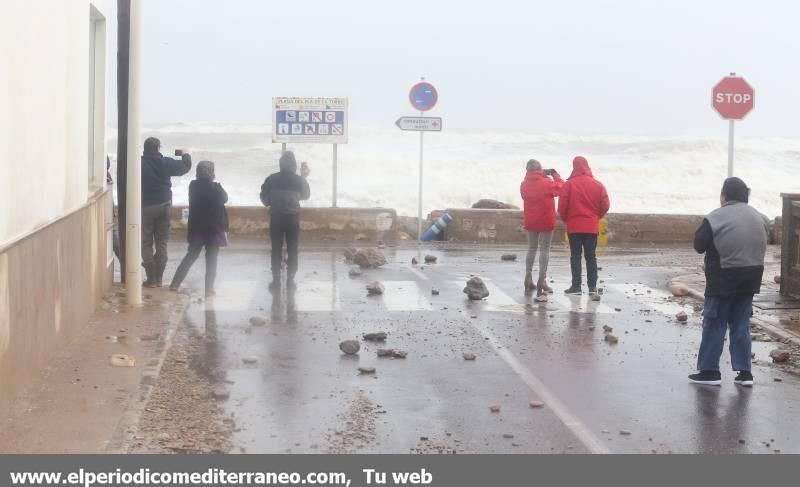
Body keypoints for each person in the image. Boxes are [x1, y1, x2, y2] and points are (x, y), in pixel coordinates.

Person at [689, 177, 770, 387]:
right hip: (751, 277)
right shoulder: (760, 217)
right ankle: (745, 374)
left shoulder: (715, 217)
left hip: (723, 278)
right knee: (741, 324)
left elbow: (699, 244)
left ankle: (709, 371)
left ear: (724, 196)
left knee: (715, 322)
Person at [169, 161, 228, 297]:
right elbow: (225, 199)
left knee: (190, 256)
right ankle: (209, 289)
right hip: (213, 230)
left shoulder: (193, 186)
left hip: (197, 230)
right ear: (211, 172)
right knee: (212, 260)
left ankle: (175, 284)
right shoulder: (217, 188)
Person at [141, 137, 192, 287]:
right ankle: (159, 279)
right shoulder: (165, 162)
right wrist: (185, 154)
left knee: (146, 243)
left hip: (146, 207)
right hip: (164, 205)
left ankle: (151, 279)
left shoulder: (139, 163)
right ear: (158, 148)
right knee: (162, 243)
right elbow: (185, 167)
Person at [557, 156, 610, 295]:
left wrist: (567, 219)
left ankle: (576, 286)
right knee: (591, 256)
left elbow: (562, 207)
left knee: (575, 256)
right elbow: (606, 205)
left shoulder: (569, 185)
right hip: (591, 226)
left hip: (574, 226)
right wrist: (595, 217)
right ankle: (592, 287)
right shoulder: (598, 185)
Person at [260, 151, 310, 290]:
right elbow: (306, 195)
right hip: (293, 218)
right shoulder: (298, 180)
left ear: (280, 164)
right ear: (294, 165)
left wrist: (273, 201)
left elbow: (264, 199)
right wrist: (303, 178)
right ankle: (291, 276)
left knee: (276, 247)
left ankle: (276, 275)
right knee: (293, 247)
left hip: (276, 218)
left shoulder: (271, 179)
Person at [519, 159, 563, 296]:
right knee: (544, 249)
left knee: (531, 248)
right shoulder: (548, 183)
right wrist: (554, 174)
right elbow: (562, 187)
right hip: (545, 221)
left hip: (531, 221)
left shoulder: (524, 185)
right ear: (540, 169)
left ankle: (528, 276)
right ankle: (542, 280)